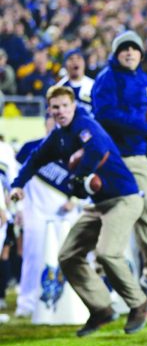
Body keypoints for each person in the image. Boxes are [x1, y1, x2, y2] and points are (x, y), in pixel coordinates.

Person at [11, 86, 147, 336]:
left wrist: (80, 174)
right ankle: (101, 308)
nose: (61, 111)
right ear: (50, 110)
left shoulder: (86, 124)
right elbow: (35, 158)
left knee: (107, 253)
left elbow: (98, 149)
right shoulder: (59, 137)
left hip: (124, 199)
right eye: (56, 107)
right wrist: (18, 184)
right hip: (99, 204)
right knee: (67, 255)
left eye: (65, 105)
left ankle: (140, 303)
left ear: (74, 105)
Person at [92, 30, 147, 300]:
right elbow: (103, 114)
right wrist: (142, 124)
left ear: (140, 54)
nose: (129, 52)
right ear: (116, 53)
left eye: (134, 49)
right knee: (115, 217)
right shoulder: (106, 78)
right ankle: (108, 279)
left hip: (138, 156)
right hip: (113, 158)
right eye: (123, 48)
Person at [13, 111, 80, 318]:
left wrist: (74, 201)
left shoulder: (72, 150)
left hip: (64, 216)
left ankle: (72, 301)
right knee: (32, 259)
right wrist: (19, 209)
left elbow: (81, 182)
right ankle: (27, 303)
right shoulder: (29, 148)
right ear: (45, 125)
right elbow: (16, 182)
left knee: (71, 259)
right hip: (36, 213)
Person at [55, 48, 94, 114]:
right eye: (71, 59)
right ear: (65, 64)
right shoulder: (59, 88)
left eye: (78, 58)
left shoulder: (93, 85)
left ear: (84, 63)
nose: (75, 61)